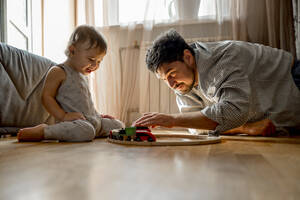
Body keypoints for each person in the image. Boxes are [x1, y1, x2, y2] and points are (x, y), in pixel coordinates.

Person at [133, 29, 300, 136]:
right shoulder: (183, 83)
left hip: (292, 80)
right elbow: (198, 128)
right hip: (277, 114)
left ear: (188, 57)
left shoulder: (224, 58)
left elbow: (233, 111)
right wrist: (245, 128)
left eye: (171, 73)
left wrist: (173, 119)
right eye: (164, 79)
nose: (170, 83)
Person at [17, 25, 124, 142]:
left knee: (118, 125)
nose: (95, 66)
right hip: (74, 123)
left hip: (91, 120)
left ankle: (95, 126)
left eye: (99, 61)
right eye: (91, 60)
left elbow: (87, 103)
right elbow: (46, 97)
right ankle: (44, 131)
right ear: (72, 50)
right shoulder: (59, 71)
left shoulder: (83, 75)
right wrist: (63, 116)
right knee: (86, 131)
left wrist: (98, 115)